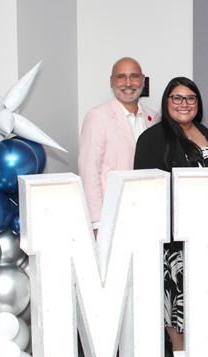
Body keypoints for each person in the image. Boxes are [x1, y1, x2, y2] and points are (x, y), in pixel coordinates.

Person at [134, 77, 208, 353]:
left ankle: (201, 356)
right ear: (166, 102)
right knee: (176, 297)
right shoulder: (152, 138)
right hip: (173, 234)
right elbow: (144, 191)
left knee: (203, 296)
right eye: (176, 98)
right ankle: (179, 356)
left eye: (190, 98)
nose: (184, 104)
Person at [78, 57, 160, 233]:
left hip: (148, 214)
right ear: (111, 81)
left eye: (134, 76)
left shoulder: (154, 118)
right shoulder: (97, 117)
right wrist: (96, 223)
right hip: (112, 216)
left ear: (143, 80)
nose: (128, 83)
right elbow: (89, 171)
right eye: (121, 77)